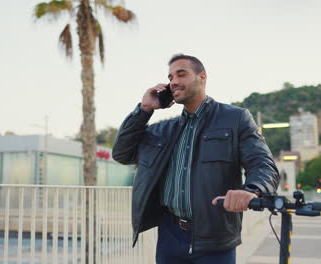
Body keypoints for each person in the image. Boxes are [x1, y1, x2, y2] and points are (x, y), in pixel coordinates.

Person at [112, 54, 279, 264]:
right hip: (169, 237)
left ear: (202, 77)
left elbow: (263, 164)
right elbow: (122, 153)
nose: (173, 82)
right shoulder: (163, 130)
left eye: (181, 74)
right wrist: (144, 110)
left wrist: (252, 190)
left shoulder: (235, 118)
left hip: (215, 239)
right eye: (170, 77)